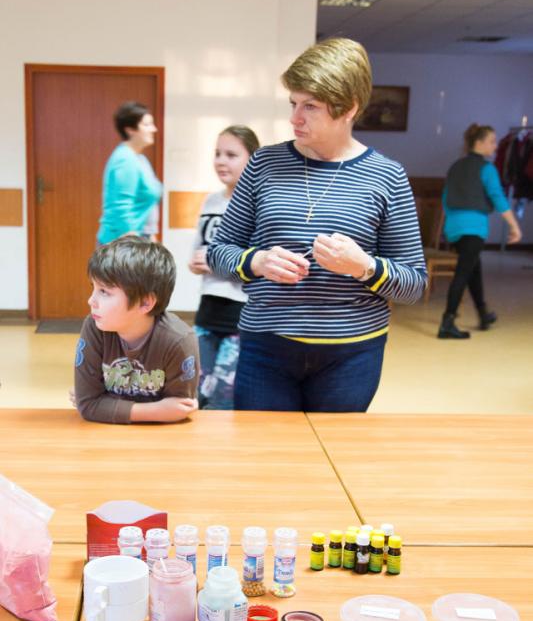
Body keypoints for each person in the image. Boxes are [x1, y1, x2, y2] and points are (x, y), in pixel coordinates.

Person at [206, 37, 427, 412]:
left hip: (352, 354)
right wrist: (257, 262)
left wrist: (363, 266)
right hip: (266, 346)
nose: (295, 118)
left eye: (310, 106)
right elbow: (218, 253)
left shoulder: (387, 176)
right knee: (264, 446)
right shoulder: (263, 164)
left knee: (334, 449)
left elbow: (414, 284)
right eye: (293, 103)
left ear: (349, 108)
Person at [74, 237, 199, 424]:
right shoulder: (95, 327)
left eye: (104, 292)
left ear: (145, 303)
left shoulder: (179, 341)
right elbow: (88, 405)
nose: (91, 301)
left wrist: (106, 405)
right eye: (94, 288)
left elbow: (179, 409)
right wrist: (156, 411)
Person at [189, 125, 260, 409]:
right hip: (208, 311)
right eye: (217, 153)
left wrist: (215, 263)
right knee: (197, 389)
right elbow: (198, 249)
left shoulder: (259, 205)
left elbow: (258, 263)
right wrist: (196, 262)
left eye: (231, 155)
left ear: (252, 158)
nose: (221, 161)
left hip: (241, 314)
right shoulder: (211, 200)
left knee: (224, 398)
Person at [438, 123, 522, 339]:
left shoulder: (456, 166)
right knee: (463, 272)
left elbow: (446, 199)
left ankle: (483, 314)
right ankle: (447, 321)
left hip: (454, 228)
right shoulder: (487, 169)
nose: (495, 146)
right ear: (479, 142)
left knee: (473, 268)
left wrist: (451, 224)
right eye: (492, 141)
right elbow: (498, 198)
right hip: (474, 227)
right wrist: (514, 226)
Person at [97, 101, 163, 244]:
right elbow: (121, 208)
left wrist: (151, 237)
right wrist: (133, 246)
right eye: (147, 125)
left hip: (139, 238)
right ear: (130, 129)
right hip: (122, 242)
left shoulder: (140, 159)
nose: (154, 129)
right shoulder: (125, 159)